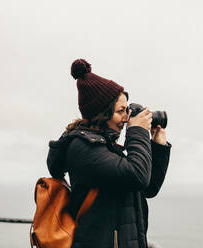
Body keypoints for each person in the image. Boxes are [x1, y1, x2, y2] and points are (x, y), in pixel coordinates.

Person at [46, 59, 171, 248]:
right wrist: (137, 131)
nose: (126, 117)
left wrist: (157, 147)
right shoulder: (83, 148)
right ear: (102, 114)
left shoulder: (105, 147)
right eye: (121, 111)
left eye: (127, 110)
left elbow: (147, 188)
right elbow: (137, 175)